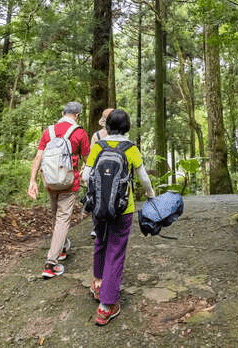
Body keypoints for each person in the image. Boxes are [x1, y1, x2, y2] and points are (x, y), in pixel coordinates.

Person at [81, 108, 154, 325]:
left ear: (107, 126)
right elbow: (143, 178)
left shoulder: (98, 146)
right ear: (127, 127)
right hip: (124, 208)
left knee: (101, 243)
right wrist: (151, 196)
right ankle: (106, 305)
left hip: (99, 207)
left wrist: (101, 193)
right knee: (116, 250)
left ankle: (98, 284)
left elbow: (86, 176)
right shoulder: (130, 148)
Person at [28, 101, 90, 279]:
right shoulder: (79, 132)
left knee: (56, 215)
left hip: (49, 180)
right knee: (63, 219)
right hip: (69, 182)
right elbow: (87, 158)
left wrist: (32, 180)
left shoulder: (49, 131)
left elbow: (39, 156)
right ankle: (51, 263)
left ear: (63, 112)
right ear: (77, 115)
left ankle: (62, 247)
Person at [89, 108, 113, 238]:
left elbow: (92, 156)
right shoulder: (121, 137)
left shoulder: (96, 136)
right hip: (114, 172)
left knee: (96, 197)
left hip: (99, 171)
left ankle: (96, 226)